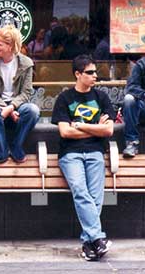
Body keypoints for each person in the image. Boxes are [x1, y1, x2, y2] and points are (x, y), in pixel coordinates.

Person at [51, 55, 114, 261]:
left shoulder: (102, 97)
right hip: (70, 154)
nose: (95, 76)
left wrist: (79, 125)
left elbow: (108, 131)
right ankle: (97, 238)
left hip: (95, 152)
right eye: (90, 72)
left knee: (95, 197)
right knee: (80, 191)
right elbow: (65, 133)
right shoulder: (65, 99)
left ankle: (89, 244)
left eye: (95, 72)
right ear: (78, 74)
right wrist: (96, 128)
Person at [0, 25, 40, 163]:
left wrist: (12, 107)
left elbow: (26, 92)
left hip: (17, 104)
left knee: (33, 111)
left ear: (11, 46)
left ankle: (17, 146)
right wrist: (5, 108)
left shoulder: (26, 63)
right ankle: (2, 150)